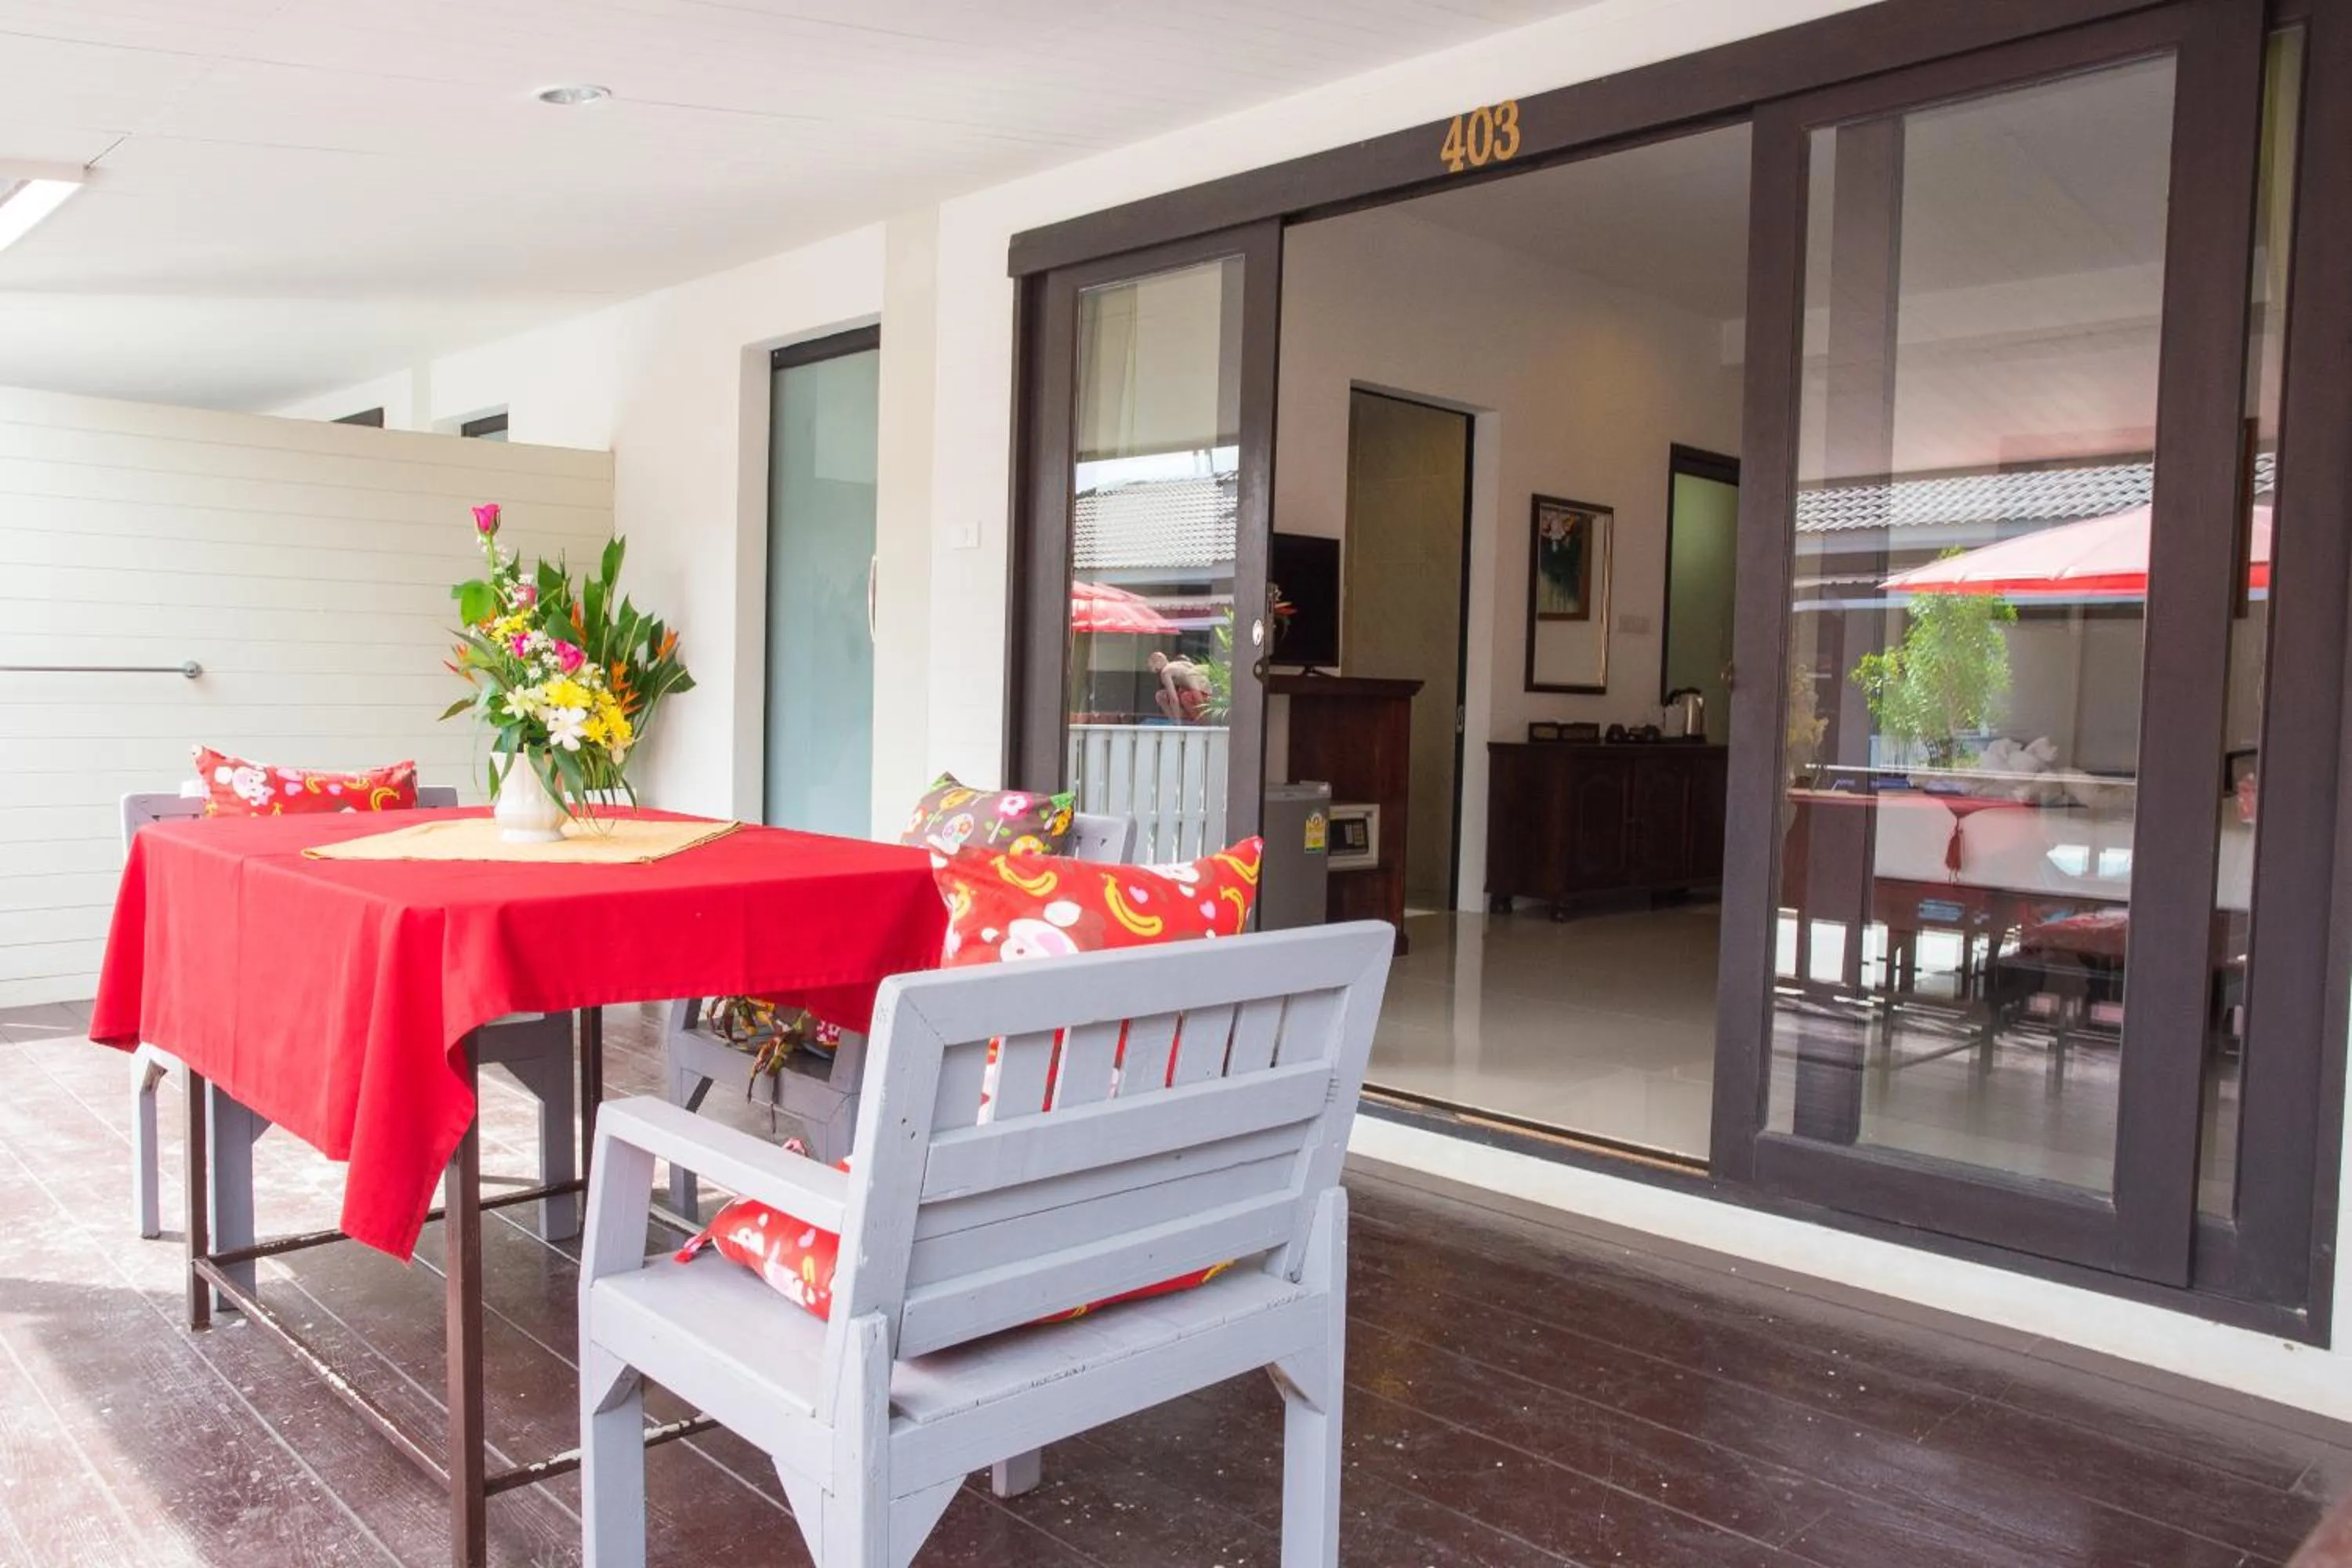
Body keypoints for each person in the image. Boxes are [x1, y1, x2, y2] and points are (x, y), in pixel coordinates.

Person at [1148, 650, 1214, 724]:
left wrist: (1177, 723)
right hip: (1209, 696)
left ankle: (1188, 723)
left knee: (1179, 696)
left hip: (1201, 698)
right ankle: (1187, 721)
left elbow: (1174, 699)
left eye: (1157, 670)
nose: (1158, 674)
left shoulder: (1165, 672)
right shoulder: (1179, 664)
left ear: (1159, 662)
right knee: (1163, 695)